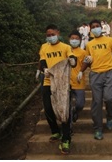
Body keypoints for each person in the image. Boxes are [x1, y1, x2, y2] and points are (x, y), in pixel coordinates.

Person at [77, 19, 112, 140]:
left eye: (97, 26)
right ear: (90, 30)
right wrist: (80, 70)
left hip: (109, 72)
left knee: (110, 98)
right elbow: (87, 60)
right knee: (96, 102)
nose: (95, 28)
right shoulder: (89, 44)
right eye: (93, 27)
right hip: (95, 74)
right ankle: (98, 128)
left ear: (101, 27)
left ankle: (110, 116)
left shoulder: (109, 40)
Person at [37, 24, 77, 154]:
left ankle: (66, 139)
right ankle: (55, 131)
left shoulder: (66, 47)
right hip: (48, 81)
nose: (50, 37)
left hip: (63, 83)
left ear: (58, 33)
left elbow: (72, 58)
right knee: (48, 108)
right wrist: (43, 69)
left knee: (64, 110)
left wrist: (73, 61)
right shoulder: (44, 47)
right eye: (48, 35)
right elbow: (43, 60)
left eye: (52, 34)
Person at [68, 31, 87, 124]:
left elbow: (86, 64)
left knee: (80, 104)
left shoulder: (83, 52)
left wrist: (81, 71)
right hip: (67, 82)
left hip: (79, 82)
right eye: (72, 38)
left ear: (80, 40)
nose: (74, 40)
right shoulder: (65, 50)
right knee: (68, 106)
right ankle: (69, 127)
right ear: (69, 39)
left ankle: (75, 112)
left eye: (76, 38)